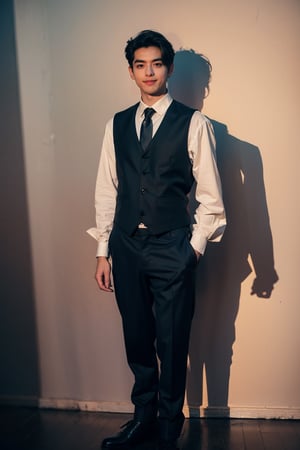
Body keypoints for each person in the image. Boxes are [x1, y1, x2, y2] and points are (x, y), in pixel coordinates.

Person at [87, 30, 226, 450]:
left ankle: (170, 425)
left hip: (172, 246)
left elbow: (210, 196)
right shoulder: (115, 125)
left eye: (157, 63)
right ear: (131, 71)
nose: (149, 72)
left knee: (172, 337)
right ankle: (143, 418)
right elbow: (107, 190)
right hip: (126, 247)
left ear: (169, 69)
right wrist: (102, 250)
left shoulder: (194, 123)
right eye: (140, 64)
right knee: (137, 336)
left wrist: (194, 247)